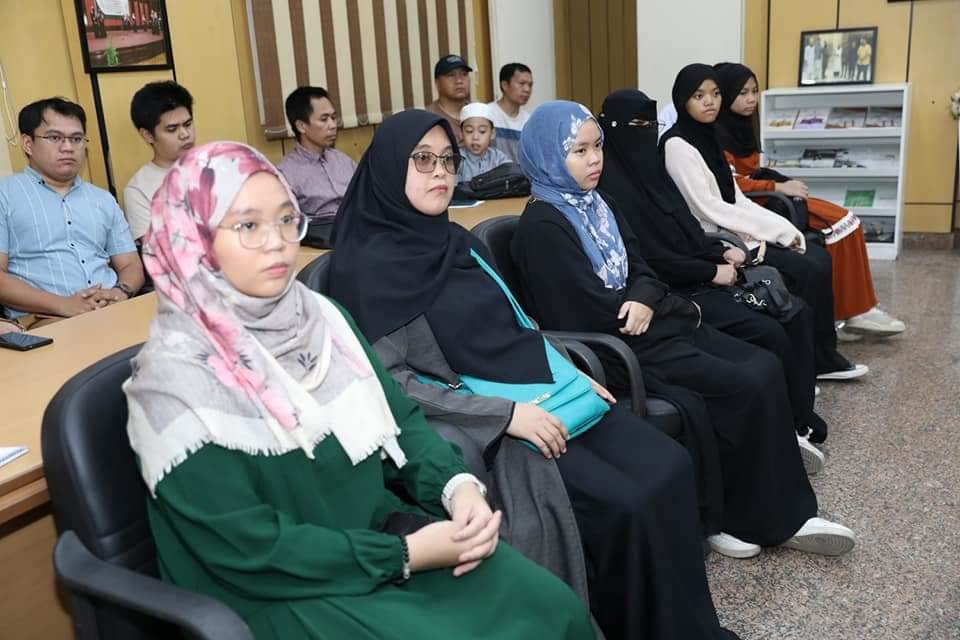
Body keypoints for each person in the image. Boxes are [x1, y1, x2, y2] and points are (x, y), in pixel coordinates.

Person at [124, 140, 594, 640]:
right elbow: (247, 548)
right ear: (192, 239)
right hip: (276, 591)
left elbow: (401, 421)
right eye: (248, 226)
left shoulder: (320, 319)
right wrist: (405, 554)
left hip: (373, 543)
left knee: (551, 606)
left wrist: (456, 488)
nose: (277, 242)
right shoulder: (173, 383)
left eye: (287, 220)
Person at [328, 109, 739, 640]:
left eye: (448, 160)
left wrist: (569, 370)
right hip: (490, 424)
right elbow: (395, 386)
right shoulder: (365, 270)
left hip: (546, 390)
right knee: (628, 503)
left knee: (670, 465)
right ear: (388, 168)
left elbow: (519, 324)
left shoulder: (457, 242)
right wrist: (507, 416)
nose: (441, 173)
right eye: (423, 160)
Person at [512, 99, 856, 563]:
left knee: (763, 363)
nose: (595, 159)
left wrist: (644, 297)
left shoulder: (597, 204)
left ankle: (779, 503)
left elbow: (642, 267)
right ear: (548, 156)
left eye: (598, 147)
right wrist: (644, 302)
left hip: (650, 326)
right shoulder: (543, 225)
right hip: (616, 348)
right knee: (743, 382)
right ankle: (748, 517)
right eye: (579, 151)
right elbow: (580, 312)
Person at [597, 89, 829, 449]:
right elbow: (652, 260)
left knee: (794, 312)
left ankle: (795, 419)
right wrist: (710, 271)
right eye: (636, 125)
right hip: (677, 291)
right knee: (770, 333)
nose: (645, 133)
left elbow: (686, 230)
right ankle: (787, 427)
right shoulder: (611, 192)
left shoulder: (652, 173)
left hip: (700, 274)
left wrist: (719, 250)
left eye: (650, 124)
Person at [660, 64, 867, 381]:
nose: (709, 102)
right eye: (699, 96)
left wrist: (783, 230)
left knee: (818, 257)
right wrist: (774, 233)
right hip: (717, 239)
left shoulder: (709, 136)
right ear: (682, 100)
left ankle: (821, 357)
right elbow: (709, 208)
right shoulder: (677, 145)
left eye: (715, 94)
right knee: (807, 268)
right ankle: (813, 362)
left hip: (736, 228)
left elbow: (735, 197)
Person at [714, 62, 905, 337]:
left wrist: (777, 183)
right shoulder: (717, 134)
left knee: (849, 221)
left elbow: (750, 171)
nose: (751, 99)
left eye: (754, 91)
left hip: (767, 196)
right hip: (756, 204)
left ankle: (859, 308)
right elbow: (733, 183)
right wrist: (777, 186)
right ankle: (852, 311)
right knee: (840, 226)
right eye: (742, 93)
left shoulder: (742, 126)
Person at [0, 98, 143, 328]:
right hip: (46, 319)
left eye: (76, 139)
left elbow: (130, 264)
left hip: (112, 309)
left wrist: (119, 292)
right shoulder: (5, 195)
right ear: (27, 143)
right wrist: (64, 305)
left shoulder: (103, 199)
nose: (68, 147)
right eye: (55, 138)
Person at [277, 86, 356, 248]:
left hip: (358, 231)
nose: (333, 125)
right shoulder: (286, 173)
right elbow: (288, 227)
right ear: (301, 126)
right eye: (324, 119)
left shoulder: (343, 161)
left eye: (334, 117)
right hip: (322, 244)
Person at [124, 81, 196, 241]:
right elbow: (159, 250)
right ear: (148, 135)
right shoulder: (138, 190)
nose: (185, 134)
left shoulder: (217, 166)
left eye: (188, 124)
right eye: (172, 129)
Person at [487, 62, 533, 161]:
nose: (527, 89)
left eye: (530, 85)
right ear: (505, 85)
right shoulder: (487, 114)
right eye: (521, 84)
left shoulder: (529, 121)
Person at [456, 102, 510, 184]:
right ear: (461, 133)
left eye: (482, 131)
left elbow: (511, 176)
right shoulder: (457, 160)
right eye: (469, 131)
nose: (475, 137)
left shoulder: (498, 158)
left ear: (492, 134)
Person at [426, 54, 472, 143]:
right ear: (437, 83)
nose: (459, 81)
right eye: (451, 75)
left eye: (464, 74)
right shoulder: (429, 119)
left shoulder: (478, 112)